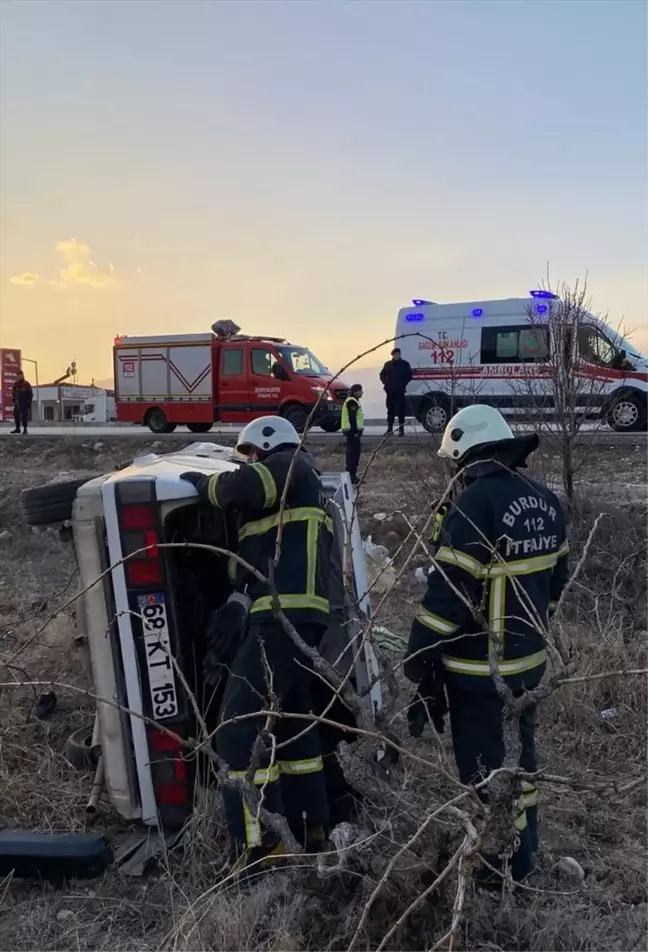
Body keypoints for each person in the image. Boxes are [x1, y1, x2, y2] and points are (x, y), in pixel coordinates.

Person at [403, 405, 568, 885]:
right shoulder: (546, 499)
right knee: (522, 766)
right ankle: (524, 860)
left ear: (463, 453)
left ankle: (494, 874)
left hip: (478, 672)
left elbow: (448, 598)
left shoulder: (474, 505)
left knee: (483, 775)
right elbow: (557, 584)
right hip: (529, 665)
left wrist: (417, 660)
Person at [180, 416, 333, 876]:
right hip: (291, 618)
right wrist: (238, 602)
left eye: (247, 455)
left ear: (263, 446)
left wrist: (206, 486)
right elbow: (265, 558)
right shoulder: (294, 490)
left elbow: (240, 486)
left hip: (281, 618)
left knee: (237, 733)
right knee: (291, 730)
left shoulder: (290, 466)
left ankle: (258, 850)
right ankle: (311, 832)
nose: (245, 463)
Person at [379, 347, 413, 437]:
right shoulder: (388, 364)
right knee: (390, 410)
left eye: (398, 354)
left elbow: (410, 375)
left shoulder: (405, 364)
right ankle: (390, 429)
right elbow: (382, 375)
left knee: (401, 410)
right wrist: (386, 383)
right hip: (390, 391)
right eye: (395, 354)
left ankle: (401, 429)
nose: (397, 356)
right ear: (392, 355)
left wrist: (403, 383)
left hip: (400, 390)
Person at [341, 384, 364, 485]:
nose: (362, 393)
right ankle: (352, 475)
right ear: (356, 392)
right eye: (360, 391)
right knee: (354, 453)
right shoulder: (351, 402)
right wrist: (355, 432)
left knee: (352, 452)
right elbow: (352, 418)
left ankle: (351, 474)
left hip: (351, 431)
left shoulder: (352, 400)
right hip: (352, 431)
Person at [11, 370, 33, 435]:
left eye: (20, 376)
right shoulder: (15, 384)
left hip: (24, 403)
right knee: (16, 415)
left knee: (24, 417)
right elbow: (13, 393)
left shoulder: (26, 384)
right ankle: (17, 429)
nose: (19, 377)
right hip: (17, 402)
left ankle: (25, 429)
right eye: (18, 376)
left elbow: (30, 394)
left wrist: (29, 403)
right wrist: (14, 400)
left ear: (23, 376)